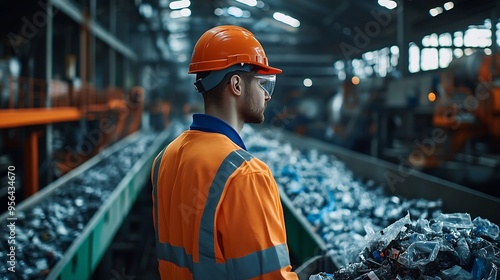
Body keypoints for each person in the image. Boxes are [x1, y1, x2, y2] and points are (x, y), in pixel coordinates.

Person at [151, 25, 298, 280]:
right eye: (262, 84)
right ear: (237, 84)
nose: (267, 96)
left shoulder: (165, 158)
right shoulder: (246, 174)